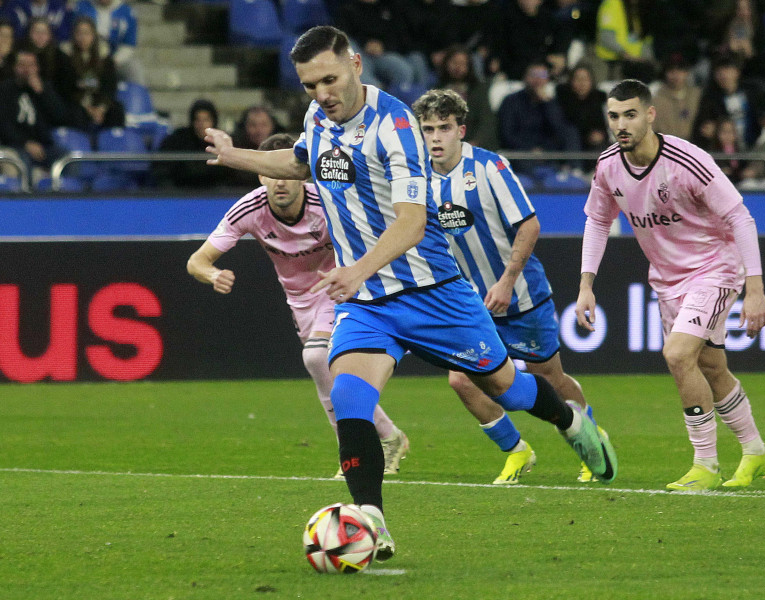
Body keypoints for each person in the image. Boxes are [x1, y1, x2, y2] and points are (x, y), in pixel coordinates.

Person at [204, 25, 617, 562]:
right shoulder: (316, 119)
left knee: (507, 386)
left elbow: (413, 223)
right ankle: (371, 520)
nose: (322, 94)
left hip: (433, 293)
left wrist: (356, 269)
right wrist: (236, 156)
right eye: (310, 86)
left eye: (329, 79)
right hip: (369, 301)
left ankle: (572, 423)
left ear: (355, 63)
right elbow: (302, 162)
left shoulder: (396, 125)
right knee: (349, 395)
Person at [577, 79, 765, 491]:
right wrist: (586, 285)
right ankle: (755, 451)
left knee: (678, 354)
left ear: (650, 114)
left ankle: (705, 464)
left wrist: (755, 290)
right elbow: (597, 220)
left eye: (630, 114)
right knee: (712, 368)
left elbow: (740, 218)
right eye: (614, 116)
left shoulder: (687, 160)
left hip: (714, 269)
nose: (621, 124)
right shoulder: (609, 165)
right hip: (667, 281)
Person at [413, 88, 615, 484]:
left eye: (444, 128)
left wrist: (506, 281)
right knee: (460, 379)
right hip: (470, 303)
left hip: (520, 296)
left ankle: (589, 436)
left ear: (461, 130)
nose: (436, 137)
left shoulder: (490, 167)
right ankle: (516, 450)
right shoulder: (419, 179)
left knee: (549, 377)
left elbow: (529, 225)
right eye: (428, 129)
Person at [187, 133, 411, 477]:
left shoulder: (326, 201)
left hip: (339, 289)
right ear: (261, 175)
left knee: (317, 357)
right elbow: (197, 261)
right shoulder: (250, 208)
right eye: (270, 174)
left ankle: (353, 454)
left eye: (286, 173)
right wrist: (212, 274)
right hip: (300, 302)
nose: (279, 182)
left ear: (302, 173)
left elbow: (373, 233)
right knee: (328, 371)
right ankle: (387, 436)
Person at [0, 48, 69, 184]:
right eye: (22, 65)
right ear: (15, 68)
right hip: (16, 145)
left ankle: (69, 198)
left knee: (67, 159)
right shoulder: (5, 90)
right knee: (22, 164)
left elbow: (61, 116)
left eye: (31, 65)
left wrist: (42, 93)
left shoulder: (44, 89)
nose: (27, 70)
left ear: (37, 68)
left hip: (43, 146)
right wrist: (25, 143)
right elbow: (4, 125)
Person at [60, 15, 124, 131]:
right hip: (76, 103)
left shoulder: (104, 58)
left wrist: (101, 108)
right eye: (79, 33)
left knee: (117, 110)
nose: (82, 38)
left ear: (94, 35)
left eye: (86, 33)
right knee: (75, 113)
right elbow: (65, 89)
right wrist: (87, 108)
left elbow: (109, 87)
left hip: (98, 103)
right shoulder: (65, 57)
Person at [156, 99, 223, 189]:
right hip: (181, 195)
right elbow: (162, 170)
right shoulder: (177, 140)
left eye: (206, 120)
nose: (201, 125)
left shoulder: (222, 143)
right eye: (197, 120)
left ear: (213, 121)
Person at [73, 0, 143, 84]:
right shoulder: (82, 8)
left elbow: (129, 44)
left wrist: (114, 61)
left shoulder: (127, 12)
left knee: (133, 68)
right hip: (86, 57)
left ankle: (137, 95)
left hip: (115, 59)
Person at [651, 55, 700, 141]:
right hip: (666, 148)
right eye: (671, 71)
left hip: (694, 147)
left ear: (687, 72)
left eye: (680, 70)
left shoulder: (697, 95)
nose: (676, 75)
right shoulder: (656, 99)